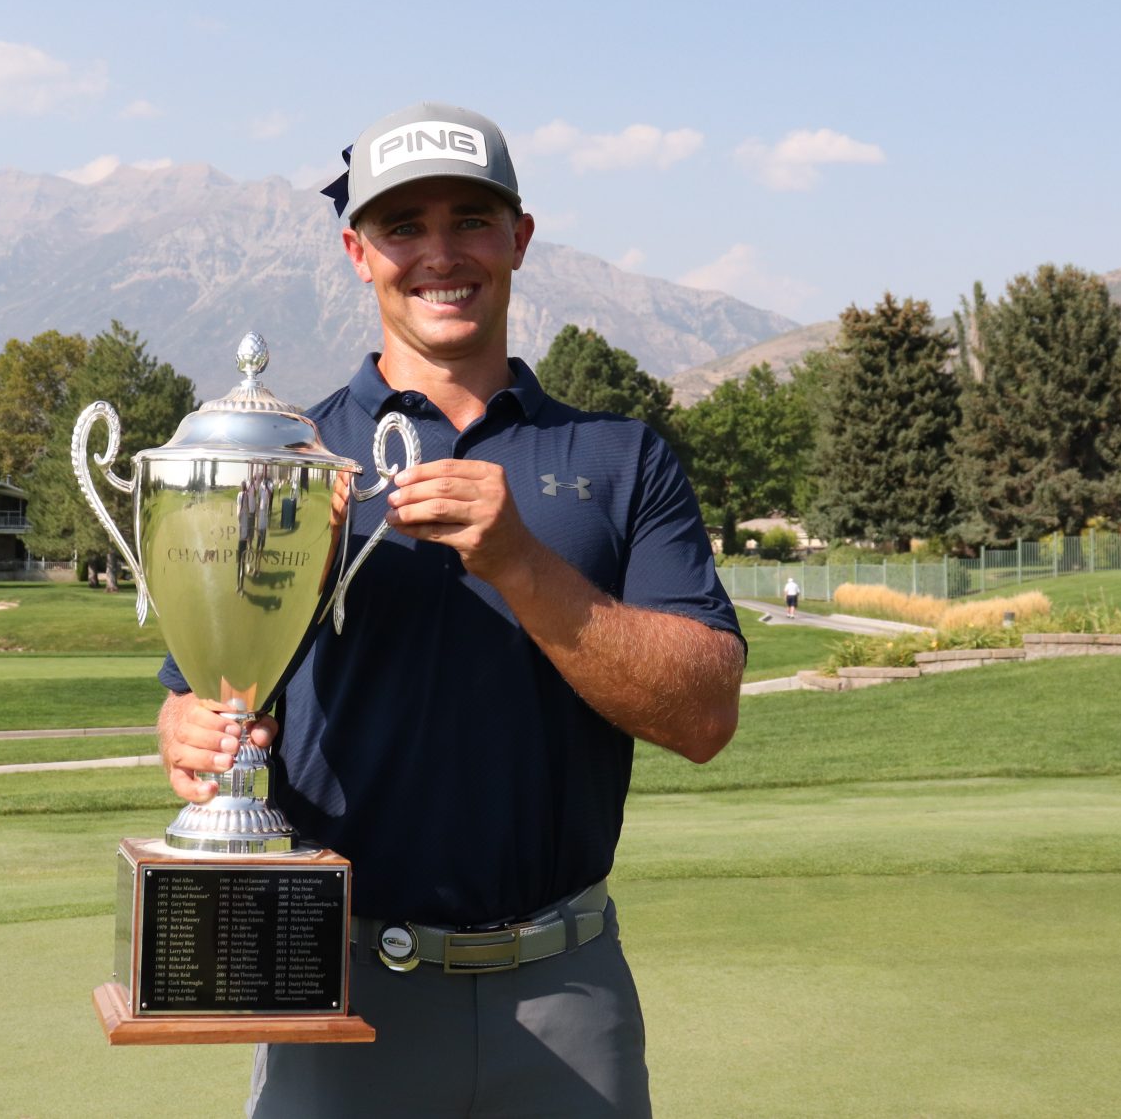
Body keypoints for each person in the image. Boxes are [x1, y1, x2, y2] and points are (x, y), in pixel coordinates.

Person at [154, 101, 746, 1118]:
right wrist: (191, 730)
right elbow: (198, 697)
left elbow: (701, 716)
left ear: (517, 236)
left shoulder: (618, 457)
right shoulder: (285, 457)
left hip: (565, 990)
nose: (439, 254)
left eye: (469, 219)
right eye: (402, 226)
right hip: (336, 994)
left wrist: (519, 559)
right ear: (357, 250)